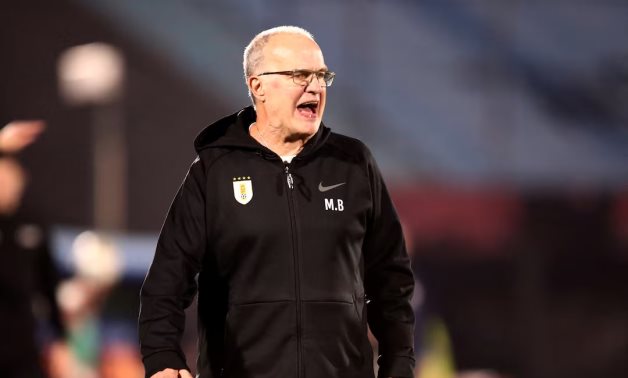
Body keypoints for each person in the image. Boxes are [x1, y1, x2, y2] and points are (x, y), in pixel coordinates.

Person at [139, 26, 415, 378]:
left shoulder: (354, 163)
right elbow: (167, 279)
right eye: (300, 74)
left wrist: (399, 364)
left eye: (321, 75)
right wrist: (162, 358)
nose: (315, 86)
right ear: (258, 87)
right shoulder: (214, 170)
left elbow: (391, 279)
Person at [0, 120, 68, 378]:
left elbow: (47, 284)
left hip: (22, 346)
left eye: (10, 176)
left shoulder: (32, 223)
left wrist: (61, 340)